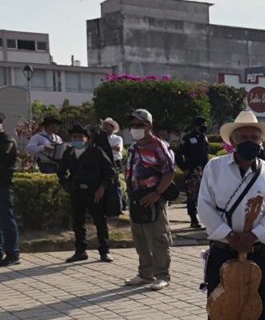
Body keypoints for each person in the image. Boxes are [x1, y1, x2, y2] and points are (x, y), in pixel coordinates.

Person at [197, 111, 265, 320]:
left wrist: (253, 236)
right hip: (223, 247)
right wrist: (229, 235)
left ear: (261, 141)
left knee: (259, 307)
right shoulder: (215, 168)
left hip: (258, 249)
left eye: (254, 137)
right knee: (220, 307)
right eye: (243, 137)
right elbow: (204, 206)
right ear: (232, 141)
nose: (250, 141)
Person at [124, 109, 175, 290]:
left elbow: (169, 172)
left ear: (149, 126)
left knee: (158, 237)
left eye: (140, 125)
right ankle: (145, 273)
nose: (135, 128)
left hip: (154, 198)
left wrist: (158, 193)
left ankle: (162, 275)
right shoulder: (133, 147)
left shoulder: (159, 146)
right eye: (133, 125)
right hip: (136, 198)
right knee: (140, 238)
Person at [58, 125, 118, 263]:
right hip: (77, 192)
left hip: (95, 192)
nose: (77, 139)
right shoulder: (68, 153)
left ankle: (105, 251)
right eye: (74, 137)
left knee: (99, 222)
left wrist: (102, 188)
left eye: (80, 137)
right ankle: (80, 251)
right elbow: (61, 172)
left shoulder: (96, 152)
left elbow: (110, 171)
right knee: (78, 222)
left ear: (87, 138)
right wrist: (67, 185)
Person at [177, 116, 210, 228]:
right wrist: (184, 168)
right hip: (192, 171)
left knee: (205, 196)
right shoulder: (187, 138)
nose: (204, 127)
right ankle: (193, 219)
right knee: (192, 195)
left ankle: (206, 219)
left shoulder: (204, 138)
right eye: (201, 125)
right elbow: (178, 154)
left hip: (204, 171)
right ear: (195, 126)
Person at [0, 113, 20, 267]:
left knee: (7, 219)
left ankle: (13, 253)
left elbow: (3, 162)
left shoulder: (7, 140)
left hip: (3, 185)